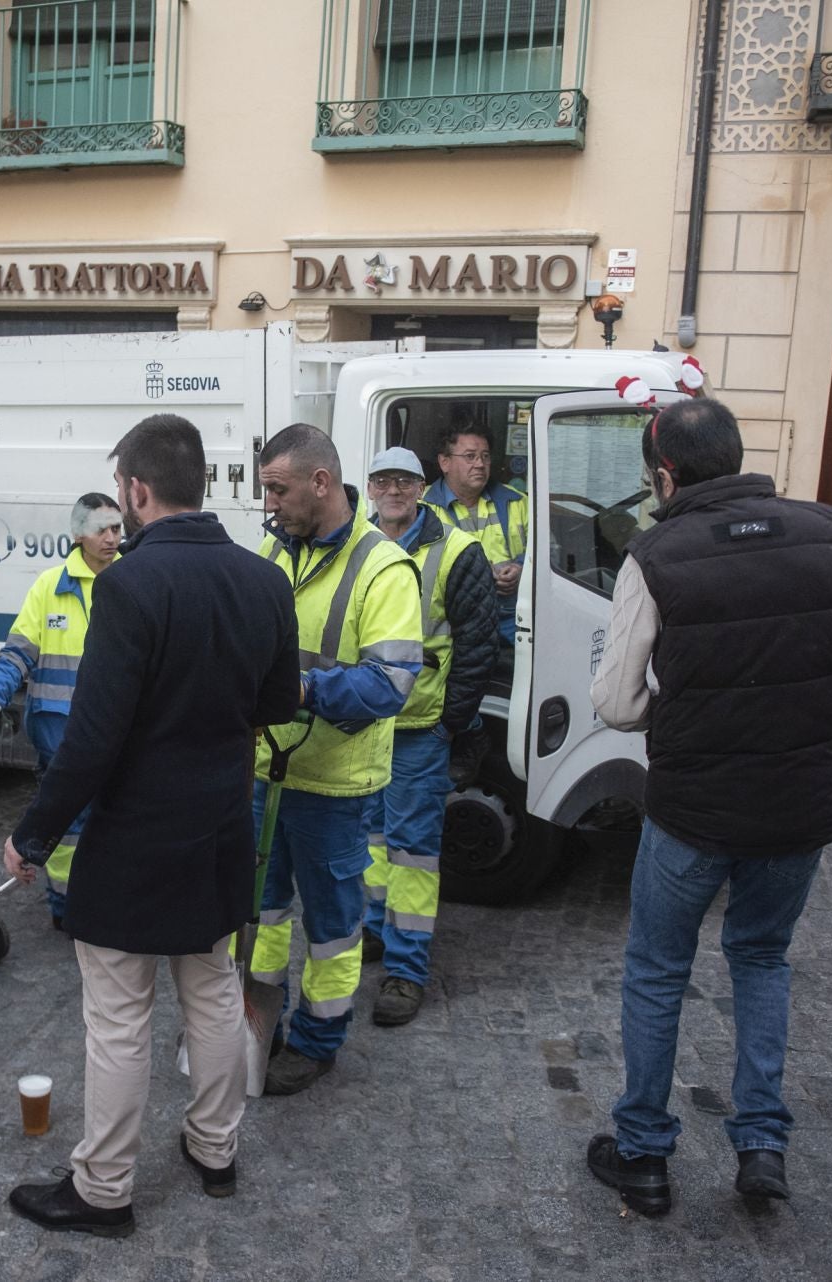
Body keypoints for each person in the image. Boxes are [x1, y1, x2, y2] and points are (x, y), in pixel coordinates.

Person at [585, 397, 832, 1216]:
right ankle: (762, 1144)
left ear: (664, 476)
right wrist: (827, 700)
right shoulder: (829, 531)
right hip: (796, 803)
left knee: (659, 970)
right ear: (738, 459)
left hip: (694, 806)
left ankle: (642, 1154)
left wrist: (683, 712)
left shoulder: (655, 552)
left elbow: (616, 702)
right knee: (763, 958)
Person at [0, 414, 299, 1238]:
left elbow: (92, 741)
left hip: (134, 839)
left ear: (134, 491)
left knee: (121, 1017)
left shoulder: (127, 586)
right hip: (218, 829)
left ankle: (103, 1190)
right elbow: (277, 705)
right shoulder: (265, 579)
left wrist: (32, 836)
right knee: (211, 993)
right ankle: (214, 1149)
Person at [251, 423, 423, 1096]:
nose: (270, 505)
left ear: (320, 483)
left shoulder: (382, 566)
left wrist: (295, 689)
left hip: (334, 785)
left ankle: (317, 1041)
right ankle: (253, 1023)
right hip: (267, 771)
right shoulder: (271, 547)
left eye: (278, 489)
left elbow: (391, 685)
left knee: (330, 927)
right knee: (259, 915)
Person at [358, 446, 497, 1026]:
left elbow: (477, 646)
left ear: (421, 488)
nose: (393, 490)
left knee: (412, 850)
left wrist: (449, 722)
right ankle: (372, 930)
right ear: (369, 489)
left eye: (404, 481)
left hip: (419, 728)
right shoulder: (355, 544)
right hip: (362, 724)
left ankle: (406, 971)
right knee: (366, 837)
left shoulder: (458, 551)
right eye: (383, 481)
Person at [0, 493, 123, 929]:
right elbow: (17, 655)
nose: (112, 537)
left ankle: (107, 899)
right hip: (58, 736)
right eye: (101, 528)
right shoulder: (50, 587)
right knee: (70, 823)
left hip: (117, 732)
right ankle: (66, 908)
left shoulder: (130, 581)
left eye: (117, 527)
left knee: (113, 818)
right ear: (78, 533)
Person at [424, 424, 528, 649]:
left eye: (485, 456)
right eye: (470, 456)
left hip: (513, 621)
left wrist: (522, 569)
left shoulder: (518, 501)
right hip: (454, 624)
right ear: (445, 462)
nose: (480, 464)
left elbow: (550, 553)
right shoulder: (422, 507)